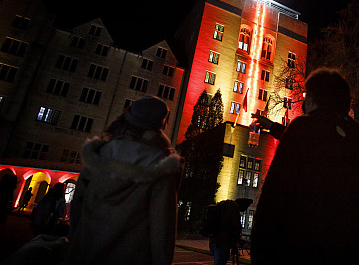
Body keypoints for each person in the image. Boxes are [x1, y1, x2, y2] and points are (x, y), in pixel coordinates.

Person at [251, 68, 359, 264]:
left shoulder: (303, 127)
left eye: (308, 95)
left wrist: (261, 248)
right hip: (346, 250)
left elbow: (275, 194)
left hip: (302, 247)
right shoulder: (357, 136)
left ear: (316, 98)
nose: (304, 101)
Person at [64, 95, 184, 265]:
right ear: (161, 122)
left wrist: (76, 245)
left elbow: (78, 207)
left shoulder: (100, 153)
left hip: (86, 254)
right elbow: (162, 229)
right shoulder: (161, 165)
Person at [208, 199, 243, 265]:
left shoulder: (221, 207)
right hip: (222, 242)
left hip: (213, 240)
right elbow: (236, 226)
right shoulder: (233, 208)